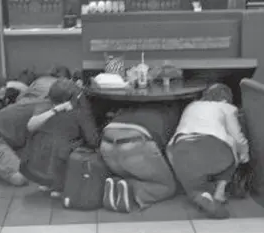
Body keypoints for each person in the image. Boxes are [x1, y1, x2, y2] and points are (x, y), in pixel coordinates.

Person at [167, 83, 249, 219]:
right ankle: (220, 192)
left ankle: (201, 195)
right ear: (225, 98)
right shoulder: (226, 107)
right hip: (212, 147)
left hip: (181, 149)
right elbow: (237, 137)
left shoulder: (192, 106)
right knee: (232, 145)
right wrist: (244, 154)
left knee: (193, 188)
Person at [0, 87, 73, 186]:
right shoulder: (46, 107)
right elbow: (31, 125)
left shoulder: (46, 103)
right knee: (20, 178)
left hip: (14, 141)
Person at [20, 79, 99, 195]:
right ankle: (60, 185)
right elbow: (92, 139)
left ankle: (49, 183)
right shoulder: (79, 111)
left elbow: (31, 126)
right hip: (61, 159)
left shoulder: (44, 105)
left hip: (35, 169)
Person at [100, 105, 180, 213]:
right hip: (135, 143)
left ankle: (116, 186)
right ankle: (131, 192)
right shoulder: (175, 112)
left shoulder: (129, 105)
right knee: (167, 186)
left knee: (132, 169)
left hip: (106, 143)